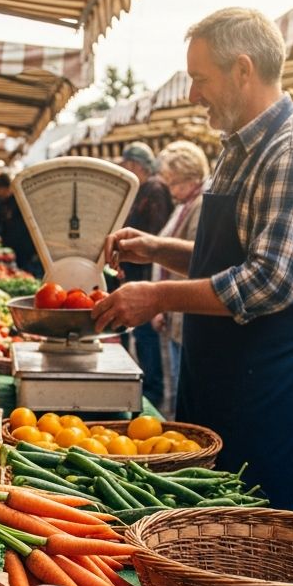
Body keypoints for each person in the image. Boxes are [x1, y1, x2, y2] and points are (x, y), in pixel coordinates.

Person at [93, 7, 293, 509]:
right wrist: (158, 248)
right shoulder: (237, 150)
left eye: (200, 79)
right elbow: (227, 258)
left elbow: (268, 281)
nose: (192, 95)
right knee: (199, 525)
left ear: (243, 71)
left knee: (249, 541)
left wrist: (157, 294)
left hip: (267, 385)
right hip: (217, 374)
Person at [149, 140, 210, 416]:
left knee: (180, 385)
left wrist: (159, 299)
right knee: (173, 380)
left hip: (184, 312)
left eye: (176, 183)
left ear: (193, 177)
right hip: (173, 311)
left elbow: (197, 258)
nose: (172, 191)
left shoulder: (200, 205)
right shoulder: (184, 205)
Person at [117, 141, 174, 408]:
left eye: (127, 165)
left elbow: (154, 237)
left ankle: (153, 395)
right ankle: (150, 390)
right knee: (141, 339)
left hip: (146, 280)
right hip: (137, 276)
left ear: (136, 165)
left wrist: (140, 252)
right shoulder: (145, 188)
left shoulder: (154, 188)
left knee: (147, 341)